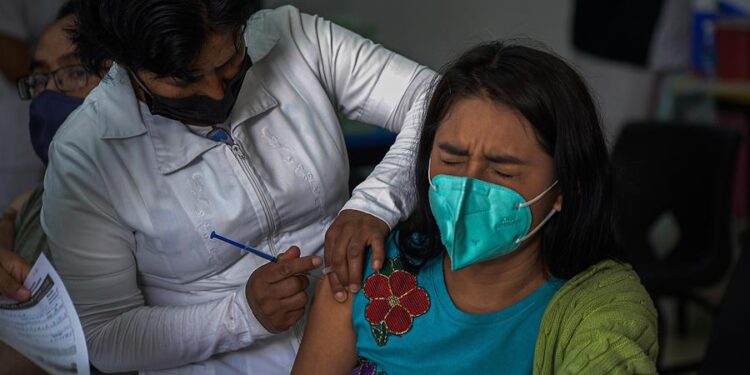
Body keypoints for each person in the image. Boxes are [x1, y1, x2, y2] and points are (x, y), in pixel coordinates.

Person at [41, 1, 435, 374]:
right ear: (125, 64)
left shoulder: (294, 36)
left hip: (367, 340)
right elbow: (105, 336)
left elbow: (434, 98)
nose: (216, 92)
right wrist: (242, 315)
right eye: (186, 78)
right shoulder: (85, 155)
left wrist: (374, 203)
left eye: (230, 61)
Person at [292, 41, 659, 375]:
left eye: (501, 171)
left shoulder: (596, 309)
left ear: (567, 186)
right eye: (451, 161)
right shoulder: (362, 277)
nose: (468, 186)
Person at [0, 2, 105, 374]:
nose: (48, 93)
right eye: (40, 77)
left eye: (75, 72)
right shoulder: (42, 195)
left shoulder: (139, 208)